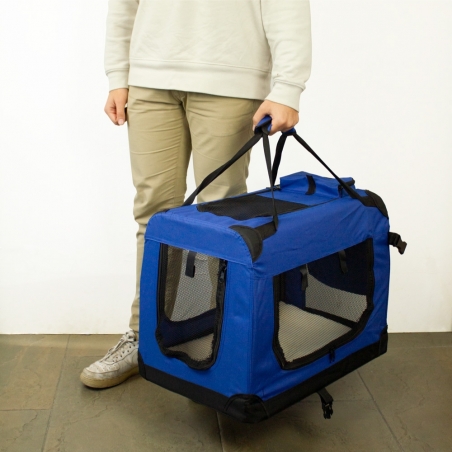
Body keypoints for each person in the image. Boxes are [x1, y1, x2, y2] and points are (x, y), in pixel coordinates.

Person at [80, 0, 312, 389]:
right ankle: (144, 337)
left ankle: (219, 347)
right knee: (154, 217)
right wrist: (118, 75)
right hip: (149, 79)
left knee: (221, 222)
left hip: (230, 76)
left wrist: (289, 86)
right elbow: (124, 5)